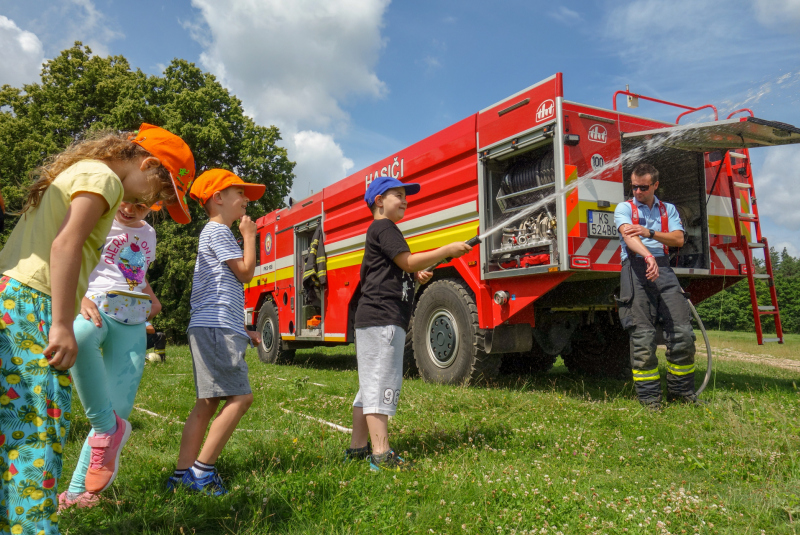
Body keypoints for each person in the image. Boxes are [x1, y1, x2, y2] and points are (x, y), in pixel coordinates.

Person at [0, 123, 194, 534]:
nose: (151, 200)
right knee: (36, 431)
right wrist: (61, 323)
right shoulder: (103, 178)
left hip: (10, 296)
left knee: (11, 427)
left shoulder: (81, 171)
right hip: (35, 303)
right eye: (160, 190)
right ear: (149, 164)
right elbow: (65, 245)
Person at [59, 194, 186, 509]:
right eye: (127, 201)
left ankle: (79, 494)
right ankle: (106, 427)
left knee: (119, 409)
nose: (131, 210)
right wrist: (78, 296)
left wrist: (151, 299)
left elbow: (134, 275)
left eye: (142, 206)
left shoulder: (149, 234)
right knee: (79, 336)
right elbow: (68, 253)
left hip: (131, 320)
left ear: (153, 207)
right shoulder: (98, 218)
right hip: (94, 308)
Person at [346, 175, 472, 471]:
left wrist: (413, 274)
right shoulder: (385, 227)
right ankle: (381, 454)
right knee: (380, 385)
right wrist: (446, 251)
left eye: (406, 196)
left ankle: (356, 449)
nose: (405, 200)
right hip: (382, 319)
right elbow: (407, 260)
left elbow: (391, 268)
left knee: (368, 388)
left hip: (373, 318)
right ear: (379, 201)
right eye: (398, 195)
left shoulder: (380, 230)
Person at [167, 169, 264, 495]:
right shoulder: (219, 231)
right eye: (240, 192)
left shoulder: (211, 233)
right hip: (216, 328)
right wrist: (249, 236)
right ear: (217, 198)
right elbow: (246, 273)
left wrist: (244, 329)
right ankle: (202, 473)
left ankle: (181, 475)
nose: (246, 200)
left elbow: (221, 291)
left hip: (213, 325)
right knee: (241, 397)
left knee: (207, 403)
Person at [614, 162, 697, 410]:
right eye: (634, 186)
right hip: (635, 267)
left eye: (643, 187)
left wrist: (649, 232)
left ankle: (681, 394)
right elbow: (629, 237)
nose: (637, 191)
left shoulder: (668, 209)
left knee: (683, 333)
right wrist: (648, 256)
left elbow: (678, 238)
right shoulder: (624, 208)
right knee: (643, 336)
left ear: (655, 185)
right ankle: (650, 399)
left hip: (664, 268)